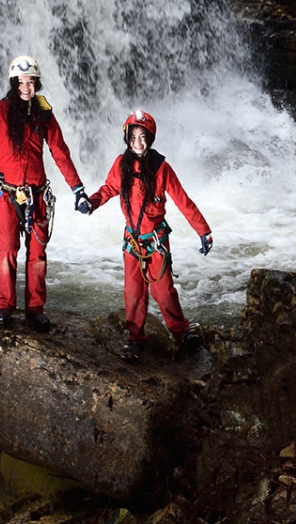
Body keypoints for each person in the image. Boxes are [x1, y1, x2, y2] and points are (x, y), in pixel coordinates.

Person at [0, 54, 91, 331]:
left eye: (30, 81)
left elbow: (60, 151)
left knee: (37, 254)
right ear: (13, 82)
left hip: (37, 195)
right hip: (7, 194)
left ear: (37, 83)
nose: (26, 86)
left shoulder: (44, 115)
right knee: (7, 250)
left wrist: (77, 189)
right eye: (21, 81)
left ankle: (35, 310)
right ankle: (5, 307)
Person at [86, 108, 213, 362]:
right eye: (133, 137)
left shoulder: (161, 167)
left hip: (156, 241)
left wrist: (203, 230)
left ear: (150, 138)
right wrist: (91, 202)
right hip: (133, 242)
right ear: (127, 139)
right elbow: (109, 188)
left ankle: (180, 332)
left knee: (163, 292)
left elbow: (182, 200)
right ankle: (135, 340)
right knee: (133, 293)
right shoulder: (121, 165)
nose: (138, 142)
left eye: (143, 137)